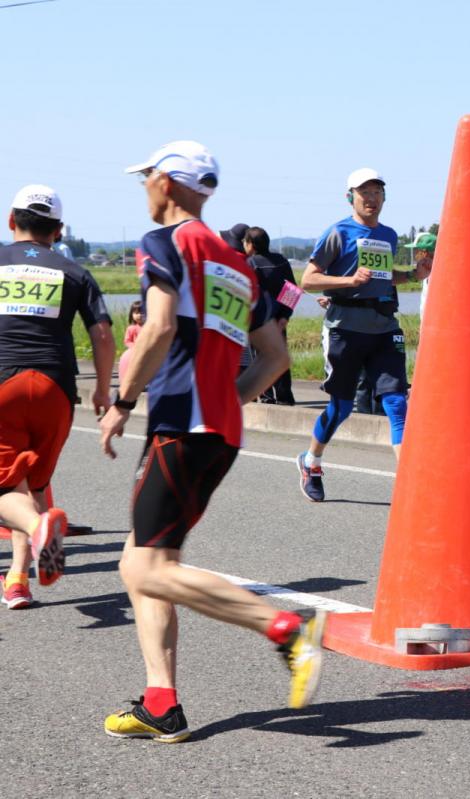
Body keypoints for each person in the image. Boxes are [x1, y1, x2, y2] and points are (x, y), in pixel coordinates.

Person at [99, 140, 324, 742]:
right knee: (147, 562)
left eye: (148, 177)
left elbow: (158, 327)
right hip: (219, 430)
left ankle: (285, 628)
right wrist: (227, 398)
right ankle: (161, 703)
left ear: (168, 183)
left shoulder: (166, 242)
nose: (144, 187)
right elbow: (275, 358)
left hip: (181, 425)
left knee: (145, 567)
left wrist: (122, 403)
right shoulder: (237, 262)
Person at [0, 184, 114, 608]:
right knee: (35, 482)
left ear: (11, 221)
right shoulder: (74, 271)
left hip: (4, 382)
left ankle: (37, 529)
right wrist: (102, 390)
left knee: (5, 491)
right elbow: (103, 334)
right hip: (56, 388)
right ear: (59, 230)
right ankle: (17, 580)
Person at [297, 168, 417, 501]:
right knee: (341, 408)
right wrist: (348, 281)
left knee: (396, 402)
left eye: (377, 192)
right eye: (364, 193)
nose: (371, 199)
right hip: (344, 329)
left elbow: (384, 275)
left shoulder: (389, 235)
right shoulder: (337, 232)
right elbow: (308, 280)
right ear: (350, 197)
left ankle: (411, 484)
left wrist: (412, 274)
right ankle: (311, 462)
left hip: (384, 328)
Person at [243, 226, 299, 405]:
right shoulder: (281, 260)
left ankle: (267, 398)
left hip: (260, 322)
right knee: (279, 357)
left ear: (250, 244)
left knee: (261, 360)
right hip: (279, 320)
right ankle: (285, 397)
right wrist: (285, 316)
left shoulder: (251, 263)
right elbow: (292, 289)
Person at [118, 299, 144, 382]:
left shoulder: (149, 328)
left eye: (142, 313)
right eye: (136, 313)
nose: (139, 315)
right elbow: (127, 341)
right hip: (135, 352)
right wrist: (134, 347)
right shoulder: (131, 328)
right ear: (131, 314)